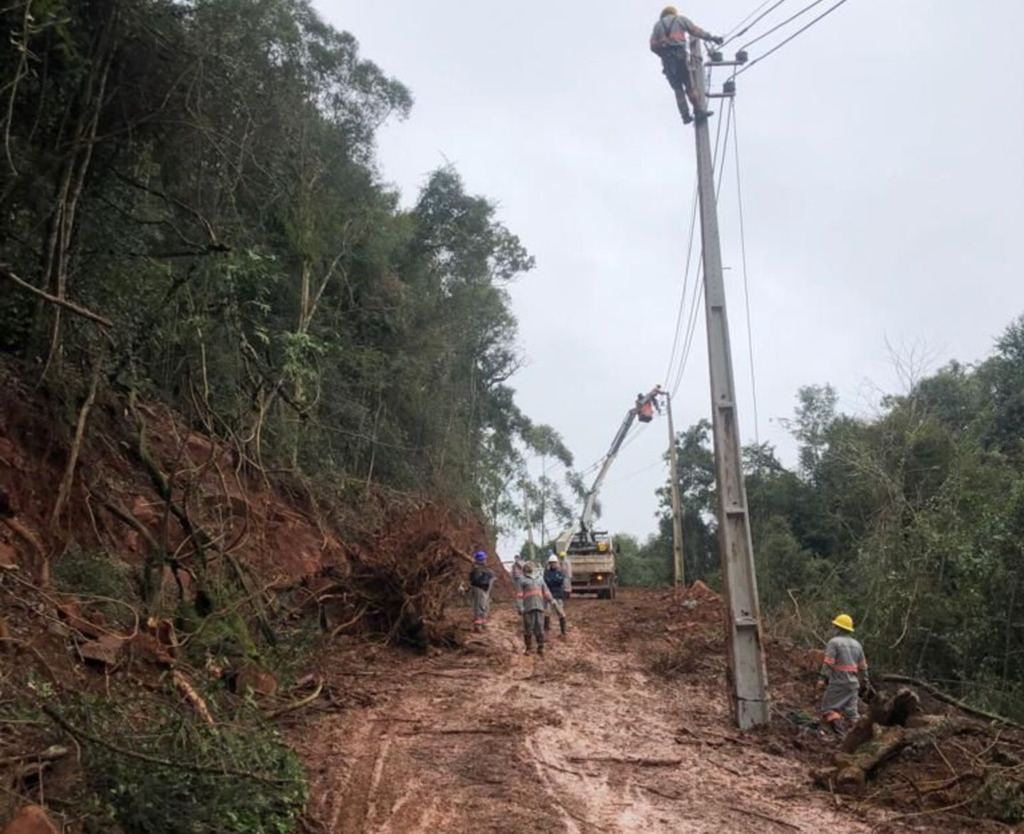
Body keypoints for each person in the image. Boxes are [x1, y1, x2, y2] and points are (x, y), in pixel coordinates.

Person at [649, 6, 724, 125]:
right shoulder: (680, 19)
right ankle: (698, 111)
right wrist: (712, 38)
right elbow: (696, 31)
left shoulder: (657, 26)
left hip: (668, 63)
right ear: (673, 13)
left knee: (678, 90)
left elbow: (652, 46)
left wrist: (663, 54)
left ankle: (685, 116)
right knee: (689, 86)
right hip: (680, 58)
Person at [817, 613, 870, 735]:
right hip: (853, 685)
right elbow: (863, 667)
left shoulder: (834, 642)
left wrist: (822, 679)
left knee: (829, 708)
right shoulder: (857, 645)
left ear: (838, 628)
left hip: (838, 683)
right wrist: (865, 682)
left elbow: (829, 663)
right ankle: (859, 738)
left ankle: (840, 736)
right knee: (852, 713)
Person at [517, 561, 555, 656]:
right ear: (524, 569)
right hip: (528, 608)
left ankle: (540, 647)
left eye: (531, 566)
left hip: (539, 607)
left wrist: (551, 600)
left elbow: (546, 591)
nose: (530, 568)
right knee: (528, 628)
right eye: (528, 566)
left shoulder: (539, 579)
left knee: (540, 628)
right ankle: (528, 648)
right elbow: (519, 595)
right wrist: (520, 607)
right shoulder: (522, 580)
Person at [468, 551, 495, 633]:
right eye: (484, 559)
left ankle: (483, 624)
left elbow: (492, 575)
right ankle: (478, 626)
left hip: (485, 590)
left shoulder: (484, 568)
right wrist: (485, 574)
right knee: (479, 608)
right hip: (479, 589)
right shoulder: (476, 569)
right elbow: (476, 580)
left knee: (485, 607)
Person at [543, 554, 569, 638]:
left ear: (557, 563)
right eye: (551, 563)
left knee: (561, 613)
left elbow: (559, 581)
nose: (553, 564)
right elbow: (547, 582)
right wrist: (554, 581)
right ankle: (546, 629)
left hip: (558, 595)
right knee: (547, 613)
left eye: (554, 563)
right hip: (548, 595)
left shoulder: (560, 572)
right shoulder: (546, 572)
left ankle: (563, 632)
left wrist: (553, 581)